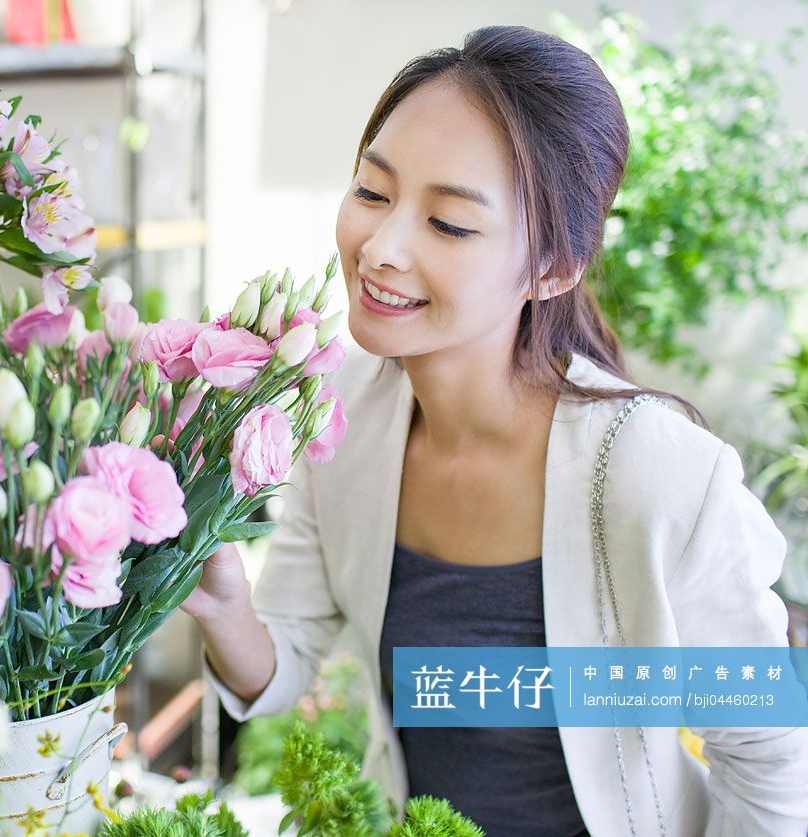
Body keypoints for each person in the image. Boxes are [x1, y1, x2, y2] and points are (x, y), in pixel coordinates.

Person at [182, 24, 808, 837]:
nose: (380, 246)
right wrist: (220, 600)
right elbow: (285, 657)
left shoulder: (662, 473)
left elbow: (770, 764)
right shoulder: (340, 417)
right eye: (372, 191)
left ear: (553, 267)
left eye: (448, 223)